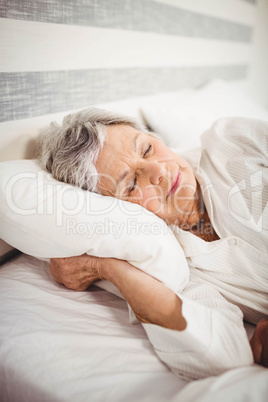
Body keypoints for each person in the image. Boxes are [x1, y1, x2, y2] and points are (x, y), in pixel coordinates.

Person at [39, 108, 268, 380]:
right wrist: (104, 266)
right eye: (132, 183)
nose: (158, 170)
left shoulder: (232, 143)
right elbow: (223, 356)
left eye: (147, 149)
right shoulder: (169, 265)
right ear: (113, 208)